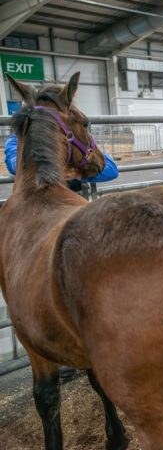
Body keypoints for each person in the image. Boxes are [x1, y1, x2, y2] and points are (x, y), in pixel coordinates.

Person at [4, 134, 118, 379]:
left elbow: (109, 168)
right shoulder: (17, 141)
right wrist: (69, 165)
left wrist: (74, 173)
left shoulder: (71, 136)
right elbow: (18, 166)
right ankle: (60, 349)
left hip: (75, 215)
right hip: (40, 224)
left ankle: (87, 346)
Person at [4, 134, 119, 188]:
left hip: (73, 201)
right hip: (39, 205)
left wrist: (77, 174)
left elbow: (111, 170)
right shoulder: (15, 140)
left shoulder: (72, 138)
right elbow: (14, 165)